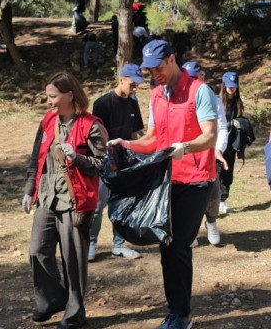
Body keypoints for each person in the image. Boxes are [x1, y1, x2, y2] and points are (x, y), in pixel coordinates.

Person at [108, 40, 218, 329]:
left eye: (158, 68)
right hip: (166, 181)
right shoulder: (156, 94)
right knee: (167, 245)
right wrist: (126, 144)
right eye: (148, 70)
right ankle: (177, 311)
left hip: (195, 180)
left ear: (172, 59)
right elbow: (153, 139)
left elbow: (210, 137)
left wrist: (186, 147)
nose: (153, 74)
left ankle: (180, 316)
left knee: (178, 244)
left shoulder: (199, 90)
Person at [21, 71, 107, 329]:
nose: (49, 102)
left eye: (53, 96)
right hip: (47, 198)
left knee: (73, 259)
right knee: (38, 250)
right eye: (47, 96)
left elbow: (102, 165)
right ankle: (53, 300)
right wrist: (28, 190)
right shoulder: (48, 121)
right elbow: (36, 157)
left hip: (75, 201)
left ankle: (74, 313)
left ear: (69, 95)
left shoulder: (91, 125)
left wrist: (77, 158)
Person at [88, 64, 146, 261]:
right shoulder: (103, 103)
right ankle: (91, 242)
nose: (135, 89)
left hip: (125, 160)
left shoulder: (132, 102)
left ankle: (119, 245)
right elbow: (94, 136)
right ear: (121, 79)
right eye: (132, 85)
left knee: (121, 205)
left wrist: (140, 153)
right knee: (98, 205)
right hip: (104, 161)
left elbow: (134, 132)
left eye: (137, 85)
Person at [182, 61, 228, 246]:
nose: (194, 80)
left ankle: (211, 221)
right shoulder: (179, 99)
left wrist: (218, 149)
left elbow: (222, 127)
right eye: (191, 77)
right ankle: (190, 229)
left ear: (203, 76)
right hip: (187, 154)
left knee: (213, 193)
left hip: (209, 155)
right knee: (188, 196)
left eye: (197, 76)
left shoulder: (212, 99)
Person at [218, 71, 244, 214]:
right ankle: (215, 200)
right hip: (219, 143)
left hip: (232, 142)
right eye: (229, 86)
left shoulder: (237, 102)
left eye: (234, 86)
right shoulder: (218, 101)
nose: (232, 88)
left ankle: (223, 199)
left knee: (228, 171)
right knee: (218, 172)